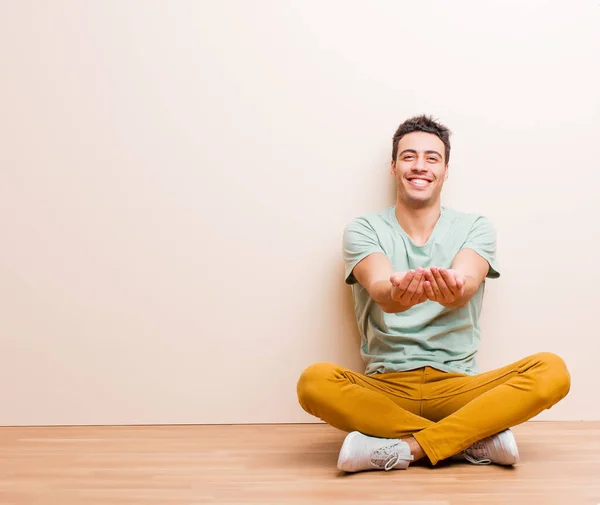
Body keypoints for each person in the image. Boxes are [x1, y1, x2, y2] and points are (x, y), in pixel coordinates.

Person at [296, 115, 571, 473]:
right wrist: (398, 295)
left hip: (458, 388)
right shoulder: (364, 228)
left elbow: (465, 286)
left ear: (445, 170)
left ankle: (406, 448)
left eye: (431, 157)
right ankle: (469, 441)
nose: (419, 166)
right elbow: (382, 290)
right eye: (408, 157)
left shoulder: (475, 227)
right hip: (386, 388)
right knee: (313, 382)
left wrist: (454, 291)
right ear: (393, 167)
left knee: (552, 371)